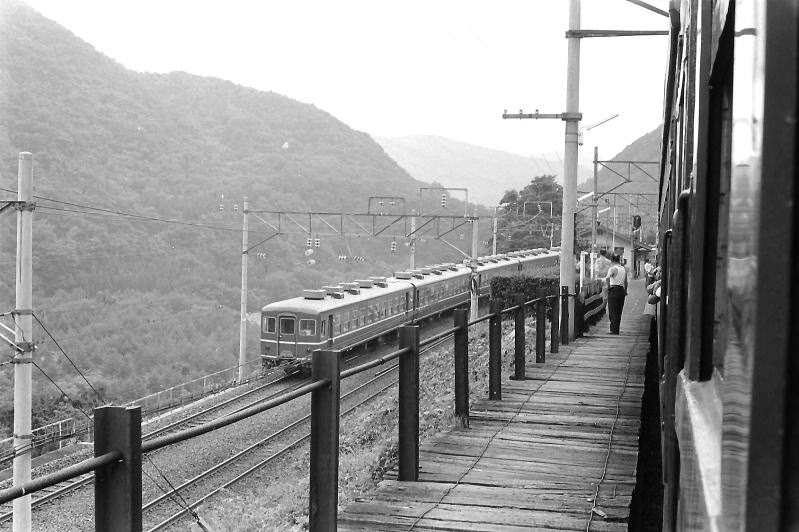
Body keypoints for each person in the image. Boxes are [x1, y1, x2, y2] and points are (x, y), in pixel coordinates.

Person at [605, 253, 628, 334]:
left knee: (612, 310)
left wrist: (608, 287)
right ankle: (616, 328)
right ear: (619, 260)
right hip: (621, 290)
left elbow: (607, 278)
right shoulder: (623, 269)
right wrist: (625, 290)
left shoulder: (612, 269)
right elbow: (626, 281)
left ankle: (613, 330)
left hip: (613, 289)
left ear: (611, 260)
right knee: (619, 310)